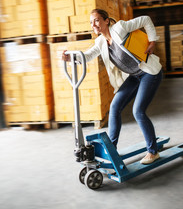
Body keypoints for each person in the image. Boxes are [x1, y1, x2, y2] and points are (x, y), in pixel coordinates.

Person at [62, 9, 163, 164]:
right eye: (91, 22)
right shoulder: (101, 42)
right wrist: (70, 58)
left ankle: (153, 152)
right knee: (115, 107)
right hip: (134, 76)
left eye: (96, 20)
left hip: (148, 72)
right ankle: (112, 148)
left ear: (106, 21)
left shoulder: (120, 28)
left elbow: (145, 19)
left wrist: (152, 41)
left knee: (138, 111)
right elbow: (87, 56)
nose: (93, 25)